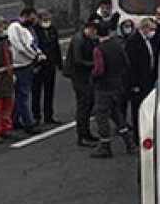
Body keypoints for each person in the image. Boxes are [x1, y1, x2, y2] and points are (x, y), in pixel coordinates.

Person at [91, 22, 136, 158]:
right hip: (117, 85)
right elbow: (125, 63)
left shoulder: (99, 49)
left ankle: (105, 145)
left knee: (101, 115)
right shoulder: (117, 45)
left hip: (104, 87)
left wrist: (92, 76)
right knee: (116, 114)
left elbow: (99, 69)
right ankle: (129, 142)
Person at [64, 17, 100, 147]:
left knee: (88, 103)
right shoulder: (79, 40)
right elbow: (78, 60)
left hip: (85, 76)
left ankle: (86, 132)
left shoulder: (89, 39)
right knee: (83, 105)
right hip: (79, 76)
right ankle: (82, 135)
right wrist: (94, 64)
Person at [7, 7, 44, 133]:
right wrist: (34, 55)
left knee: (21, 95)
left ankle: (15, 119)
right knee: (23, 94)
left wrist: (38, 52)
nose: (33, 21)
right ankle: (28, 124)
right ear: (26, 15)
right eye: (32, 18)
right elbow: (20, 46)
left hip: (27, 64)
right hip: (19, 65)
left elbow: (33, 43)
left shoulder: (27, 28)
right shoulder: (15, 27)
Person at [125, 17, 157, 132]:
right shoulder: (133, 42)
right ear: (145, 28)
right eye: (152, 29)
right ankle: (137, 133)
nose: (154, 32)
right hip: (138, 83)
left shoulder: (148, 41)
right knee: (137, 108)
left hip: (148, 80)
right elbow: (131, 65)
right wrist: (134, 84)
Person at [30, 8, 62, 125]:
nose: (46, 20)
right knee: (36, 91)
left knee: (50, 91)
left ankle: (49, 115)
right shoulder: (34, 31)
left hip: (50, 65)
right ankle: (36, 115)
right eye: (43, 18)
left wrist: (59, 64)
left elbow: (56, 47)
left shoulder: (52, 30)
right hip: (38, 66)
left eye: (48, 18)